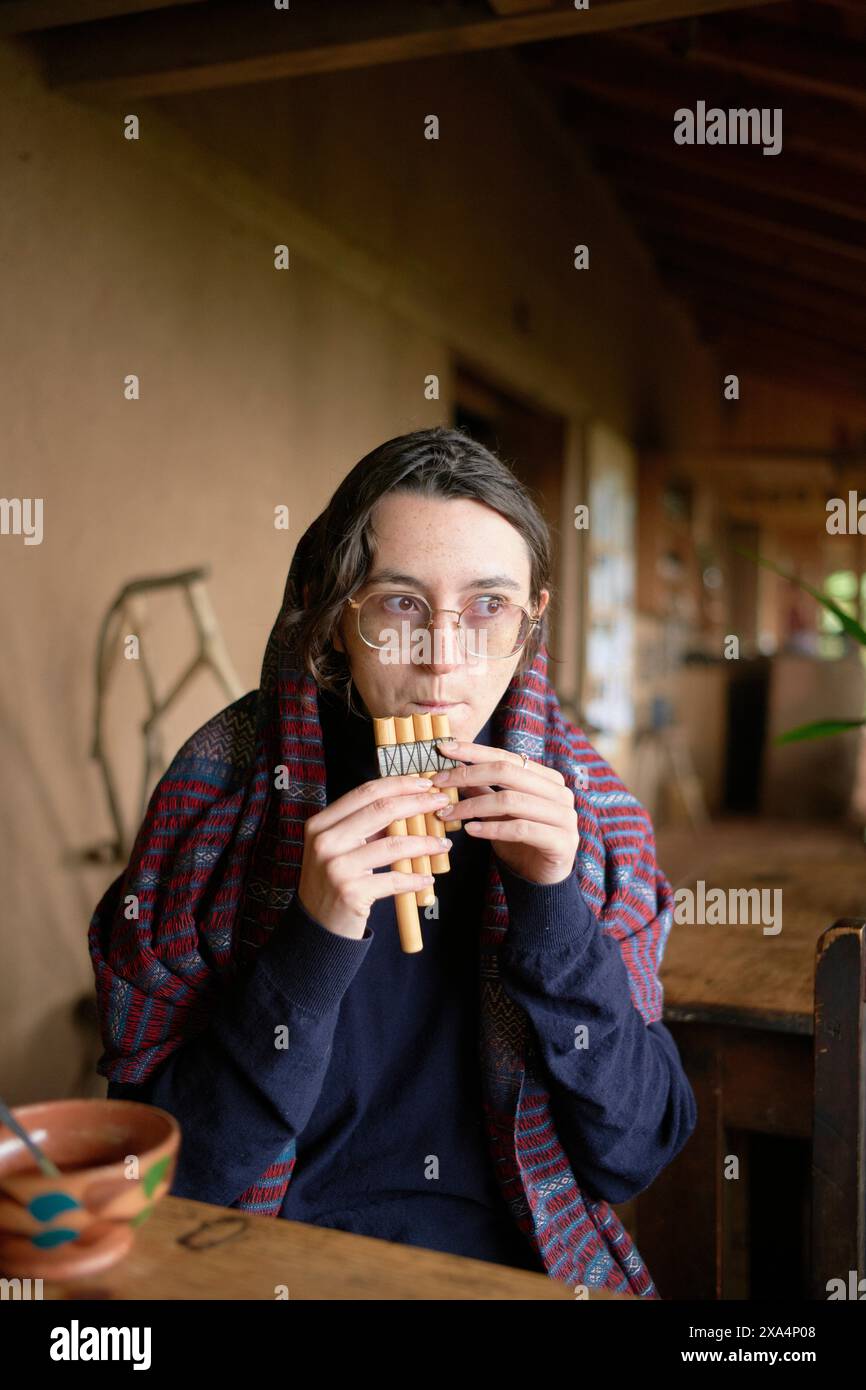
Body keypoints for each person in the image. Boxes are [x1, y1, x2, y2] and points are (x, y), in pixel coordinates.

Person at [88, 425, 696, 1297]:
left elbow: (637, 1151)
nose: (443, 660)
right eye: (401, 604)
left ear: (531, 626)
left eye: (488, 606)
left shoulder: (590, 816)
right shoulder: (221, 787)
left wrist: (555, 913)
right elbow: (146, 1180)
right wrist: (313, 943)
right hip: (259, 1265)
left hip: (510, 1271)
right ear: (336, 617)